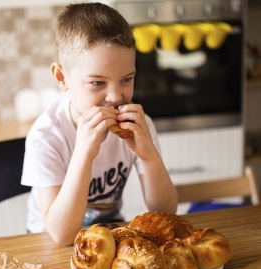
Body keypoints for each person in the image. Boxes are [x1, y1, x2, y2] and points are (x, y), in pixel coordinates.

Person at [21, 2, 178, 246]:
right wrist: (83, 154)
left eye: (126, 79)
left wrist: (149, 156)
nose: (116, 96)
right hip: (49, 243)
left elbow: (166, 212)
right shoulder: (46, 137)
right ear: (62, 78)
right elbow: (62, 235)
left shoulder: (140, 126)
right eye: (97, 83)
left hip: (109, 233)